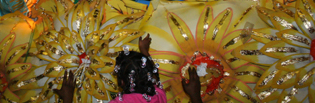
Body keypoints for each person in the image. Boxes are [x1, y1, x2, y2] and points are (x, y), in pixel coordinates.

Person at [54, 34, 203, 103]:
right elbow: (154, 78)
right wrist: (195, 95)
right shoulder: (157, 96)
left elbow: (153, 77)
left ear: (122, 82)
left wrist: (67, 98)